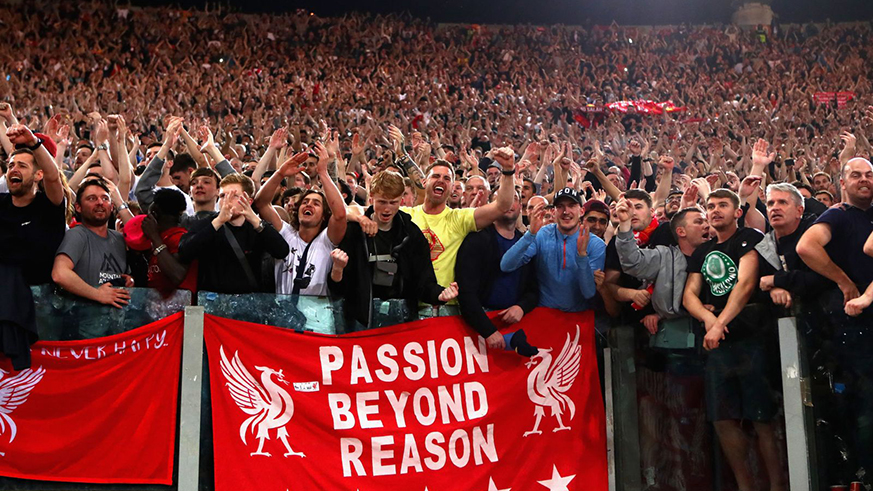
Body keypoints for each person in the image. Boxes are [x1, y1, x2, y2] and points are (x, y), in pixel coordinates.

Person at [682, 189, 784, 491]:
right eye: (710, 206)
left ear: (737, 211)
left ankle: (777, 485)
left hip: (752, 339)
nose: (715, 211)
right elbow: (689, 295)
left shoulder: (749, 238)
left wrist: (719, 323)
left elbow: (745, 283)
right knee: (722, 419)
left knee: (762, 418)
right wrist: (710, 321)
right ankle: (745, 486)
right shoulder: (702, 250)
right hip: (719, 345)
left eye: (722, 205)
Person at [797, 158, 873, 479]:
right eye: (856, 175)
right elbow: (806, 246)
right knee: (865, 404)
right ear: (842, 182)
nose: (864, 180)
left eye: (870, 175)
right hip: (853, 322)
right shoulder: (839, 214)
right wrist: (843, 280)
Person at [329, 170, 458, 330]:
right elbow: (337, 288)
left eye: (393, 202)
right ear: (371, 199)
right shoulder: (355, 231)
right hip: (360, 320)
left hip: (402, 320)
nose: (387, 209)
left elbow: (424, 281)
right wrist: (338, 269)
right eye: (382, 202)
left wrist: (440, 295)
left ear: (401, 200)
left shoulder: (411, 233)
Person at [401, 147, 517, 296]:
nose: (441, 181)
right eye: (436, 176)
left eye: (447, 179)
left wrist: (508, 171)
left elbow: (502, 206)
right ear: (424, 182)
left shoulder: (459, 218)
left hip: (445, 307)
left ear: (452, 188)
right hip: (409, 306)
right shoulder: (405, 215)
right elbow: (371, 210)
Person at [0, 125, 65, 369]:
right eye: (10, 166)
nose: (13, 170)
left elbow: (53, 177)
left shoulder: (48, 206)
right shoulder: (1, 204)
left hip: (44, 310)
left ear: (37, 175)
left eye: (22, 166)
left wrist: (36, 143)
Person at [254, 144, 347, 297]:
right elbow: (261, 203)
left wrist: (323, 173)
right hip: (283, 315)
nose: (309, 204)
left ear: (324, 215)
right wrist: (280, 173)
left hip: (317, 318)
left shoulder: (327, 240)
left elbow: (340, 215)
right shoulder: (285, 233)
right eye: (305, 202)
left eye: (316, 203)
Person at [456, 188, 539, 351]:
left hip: (516, 323)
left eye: (514, 198)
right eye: (502, 199)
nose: (509, 203)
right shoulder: (476, 240)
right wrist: (488, 330)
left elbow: (534, 289)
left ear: (520, 207)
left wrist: (522, 307)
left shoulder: (527, 242)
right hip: (479, 326)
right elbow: (466, 292)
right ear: (492, 206)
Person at [178, 173, 289, 293]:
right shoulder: (206, 223)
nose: (227, 201)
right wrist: (218, 221)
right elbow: (184, 252)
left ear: (248, 201)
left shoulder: (258, 227)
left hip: (250, 303)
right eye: (222, 196)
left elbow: (281, 251)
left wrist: (255, 220)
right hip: (213, 303)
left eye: (234, 196)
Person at [501, 188, 606, 313]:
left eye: (572, 205)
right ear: (553, 211)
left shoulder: (596, 244)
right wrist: (530, 234)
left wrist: (582, 256)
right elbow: (506, 265)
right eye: (560, 206)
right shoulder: (542, 234)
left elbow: (588, 292)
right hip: (544, 314)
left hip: (578, 316)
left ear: (582, 211)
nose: (566, 212)